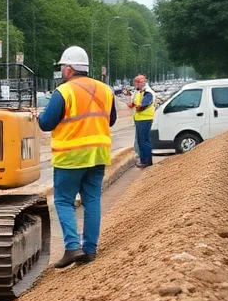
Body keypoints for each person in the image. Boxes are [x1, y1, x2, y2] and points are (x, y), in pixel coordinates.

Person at [40, 46, 116, 268]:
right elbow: (109, 120)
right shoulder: (106, 90)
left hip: (71, 156)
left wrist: (38, 117)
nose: (62, 70)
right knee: (92, 200)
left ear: (69, 69)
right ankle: (90, 250)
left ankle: (73, 246)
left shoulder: (64, 91)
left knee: (63, 200)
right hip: (98, 153)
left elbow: (46, 123)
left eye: (63, 66)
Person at [128, 74, 156, 168]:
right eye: (135, 83)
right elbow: (137, 103)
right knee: (141, 141)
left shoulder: (147, 92)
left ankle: (146, 161)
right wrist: (133, 105)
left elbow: (143, 105)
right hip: (140, 119)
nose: (136, 85)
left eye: (137, 83)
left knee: (144, 141)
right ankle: (144, 160)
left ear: (142, 82)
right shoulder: (141, 92)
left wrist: (137, 107)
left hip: (144, 119)